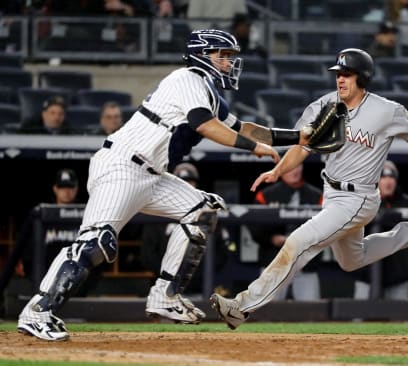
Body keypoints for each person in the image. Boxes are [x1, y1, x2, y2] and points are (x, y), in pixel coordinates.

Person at [17, 29, 310, 341]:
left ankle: (165, 296)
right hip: (122, 166)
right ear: (201, 54)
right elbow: (204, 125)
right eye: (221, 55)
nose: (227, 62)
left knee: (201, 209)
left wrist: (298, 136)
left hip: (151, 173)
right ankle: (37, 311)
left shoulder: (206, 90)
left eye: (230, 57)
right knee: (95, 243)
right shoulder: (186, 79)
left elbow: (247, 128)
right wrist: (252, 148)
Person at [210, 48, 408, 330]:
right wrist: (279, 170)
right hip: (332, 192)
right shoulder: (324, 106)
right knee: (353, 261)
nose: (340, 80)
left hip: (359, 198)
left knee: (298, 241)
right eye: (338, 74)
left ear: (362, 77)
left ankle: (242, 306)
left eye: (347, 75)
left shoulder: (387, 111)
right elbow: (302, 146)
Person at [141, 162, 238, 295]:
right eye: (182, 182)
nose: (187, 187)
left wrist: (199, 272)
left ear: (196, 185)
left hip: (202, 285)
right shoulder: (159, 211)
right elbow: (147, 254)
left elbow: (225, 250)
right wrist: (169, 274)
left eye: (190, 182)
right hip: (166, 285)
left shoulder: (208, 212)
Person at [0, 169, 81, 297]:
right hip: (45, 280)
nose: (66, 191)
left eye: (70, 187)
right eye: (62, 187)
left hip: (77, 281)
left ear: (76, 188)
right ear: (55, 189)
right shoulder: (41, 214)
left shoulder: (87, 215)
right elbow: (27, 251)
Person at [250, 164, 323, 300]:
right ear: (281, 169)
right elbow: (255, 228)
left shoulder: (317, 195)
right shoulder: (266, 195)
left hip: (306, 262)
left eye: (298, 166)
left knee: (311, 311)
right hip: (274, 260)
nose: (294, 171)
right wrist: (272, 238)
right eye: (290, 167)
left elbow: (327, 227)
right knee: (267, 310)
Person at [352, 160, 408, 300]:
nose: (388, 181)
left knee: (399, 318)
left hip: (398, 274)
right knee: (358, 317)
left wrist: (407, 265)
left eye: (392, 177)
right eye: (383, 177)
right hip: (365, 272)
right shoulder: (362, 201)